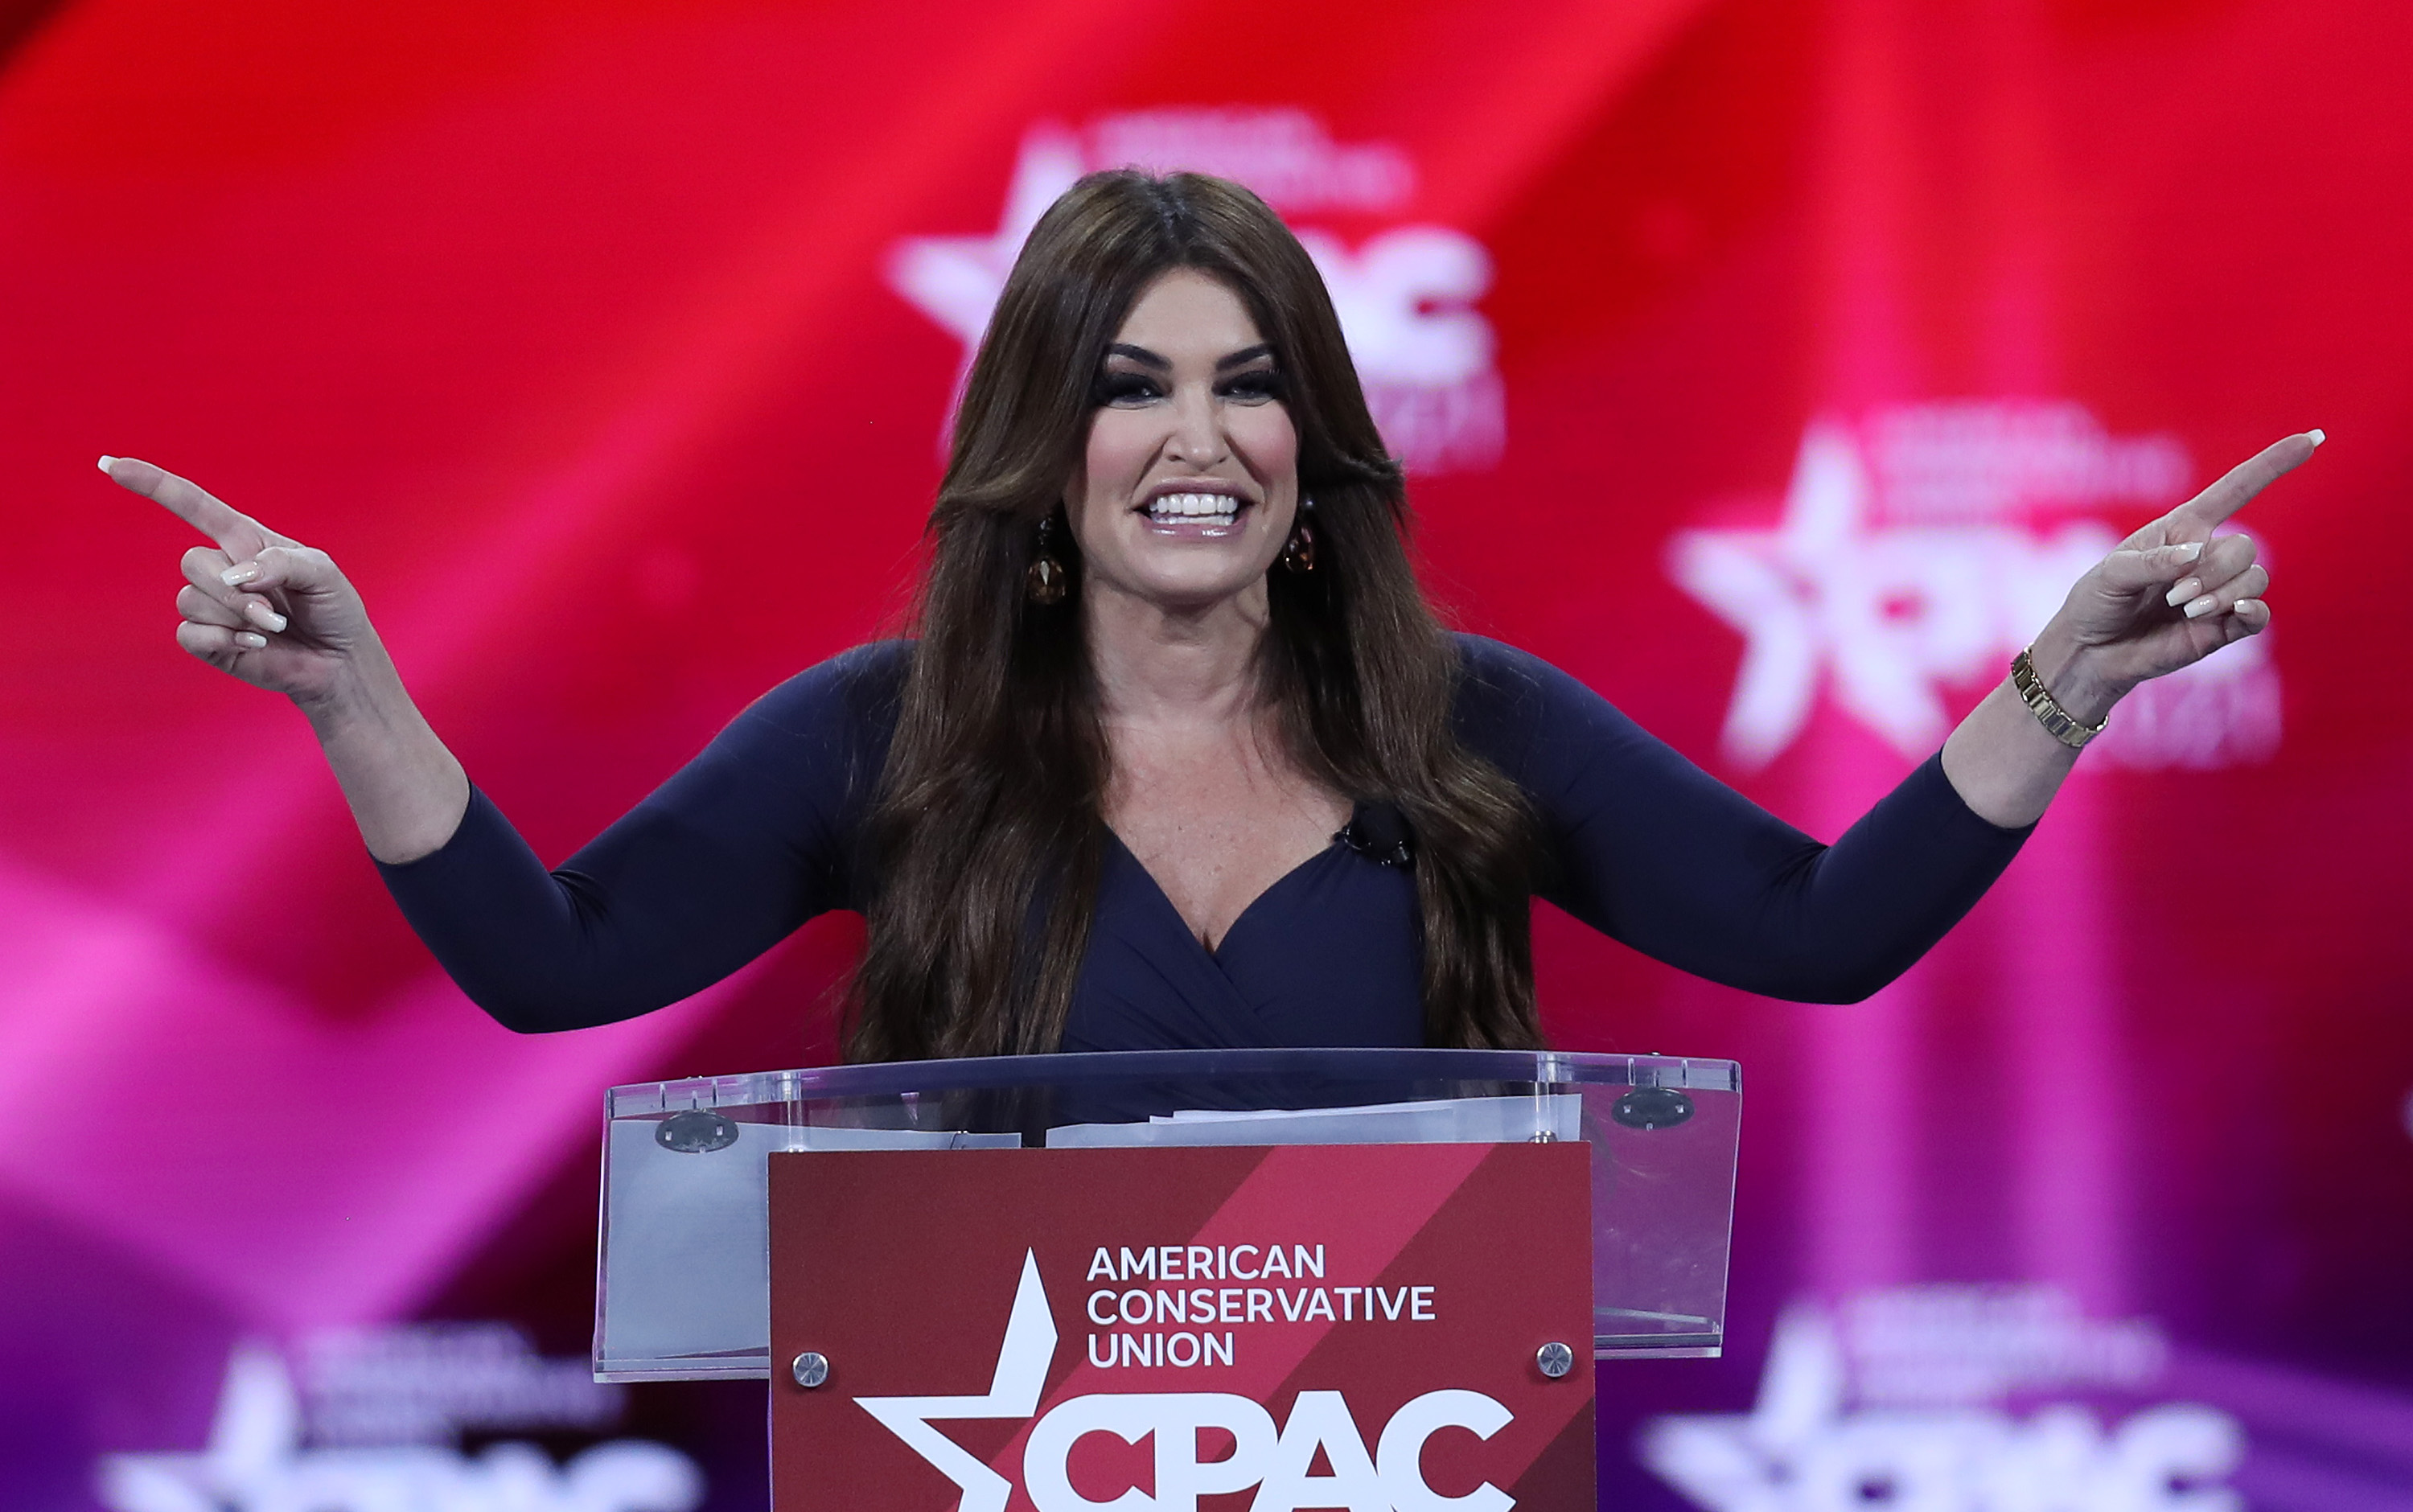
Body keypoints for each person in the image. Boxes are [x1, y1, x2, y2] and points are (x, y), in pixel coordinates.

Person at [107, 171, 2311, 1064]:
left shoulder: (1471, 731)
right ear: (1040, 447)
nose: (1198, 432)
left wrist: (2066, 677)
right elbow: (546, 965)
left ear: (1316, 445)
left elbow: (1820, 929)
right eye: (1129, 382)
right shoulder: (887, 738)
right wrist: (351, 693)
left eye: (1250, 380)